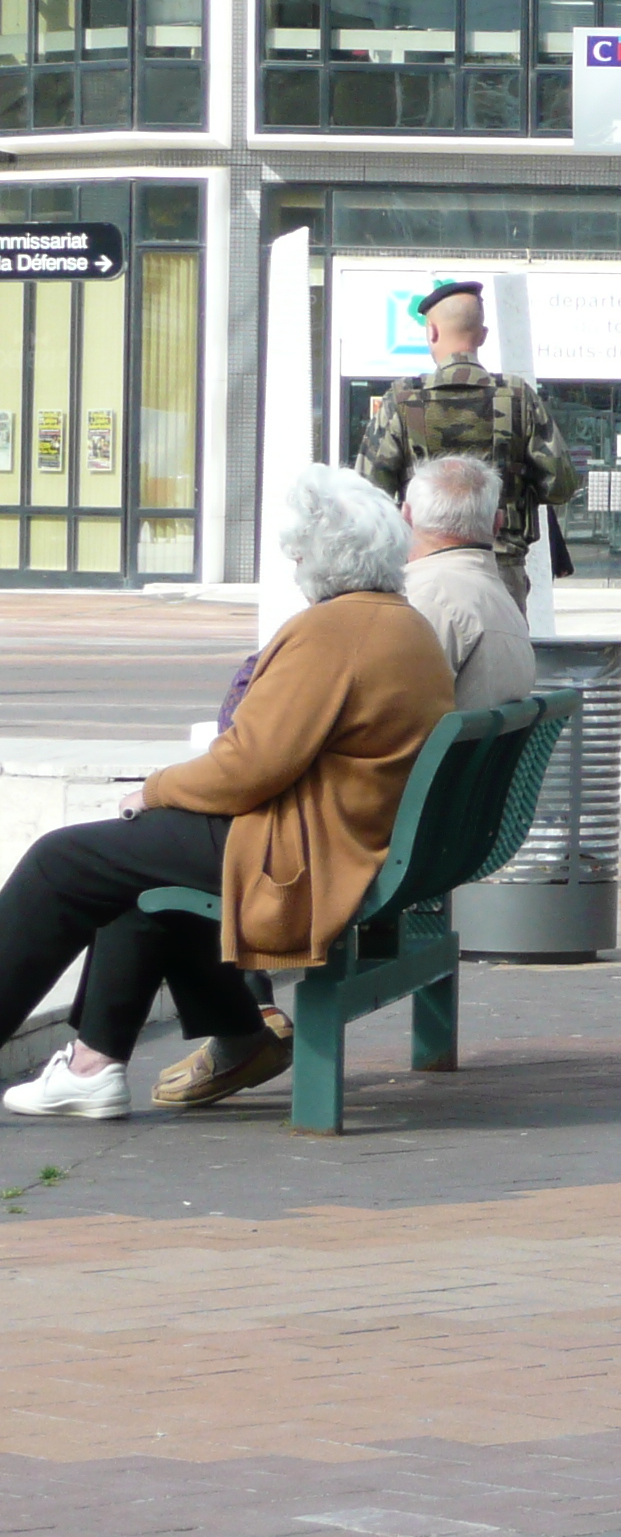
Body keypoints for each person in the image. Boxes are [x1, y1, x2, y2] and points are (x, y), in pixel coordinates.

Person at [0, 467, 453, 1119]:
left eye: (297, 550)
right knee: (131, 866)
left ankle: (106, 1062)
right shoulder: (403, 626)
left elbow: (250, 766)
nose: (293, 561)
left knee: (61, 861)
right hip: (355, 835)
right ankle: (98, 1064)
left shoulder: (333, 632)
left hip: (307, 853)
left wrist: (156, 790)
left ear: (317, 556)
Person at [354, 278, 577, 607]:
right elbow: (561, 485)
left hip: (421, 567)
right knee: (501, 652)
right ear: (482, 335)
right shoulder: (518, 397)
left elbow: (369, 495)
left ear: (431, 331)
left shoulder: (400, 399)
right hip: (499, 567)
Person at [402, 454, 538, 710]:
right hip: (479, 748)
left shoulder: (425, 600)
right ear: (498, 524)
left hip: (436, 749)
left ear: (406, 516)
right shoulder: (504, 602)